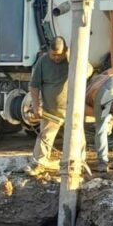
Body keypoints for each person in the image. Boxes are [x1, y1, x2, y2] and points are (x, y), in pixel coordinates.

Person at [29, 37, 69, 169]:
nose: (57, 58)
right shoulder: (43, 62)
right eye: (54, 55)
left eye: (60, 55)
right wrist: (36, 106)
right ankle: (39, 164)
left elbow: (88, 70)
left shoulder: (72, 60)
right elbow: (34, 86)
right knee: (45, 136)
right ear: (49, 51)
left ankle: (77, 162)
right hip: (51, 110)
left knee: (77, 137)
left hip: (71, 110)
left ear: (65, 51)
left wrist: (72, 58)